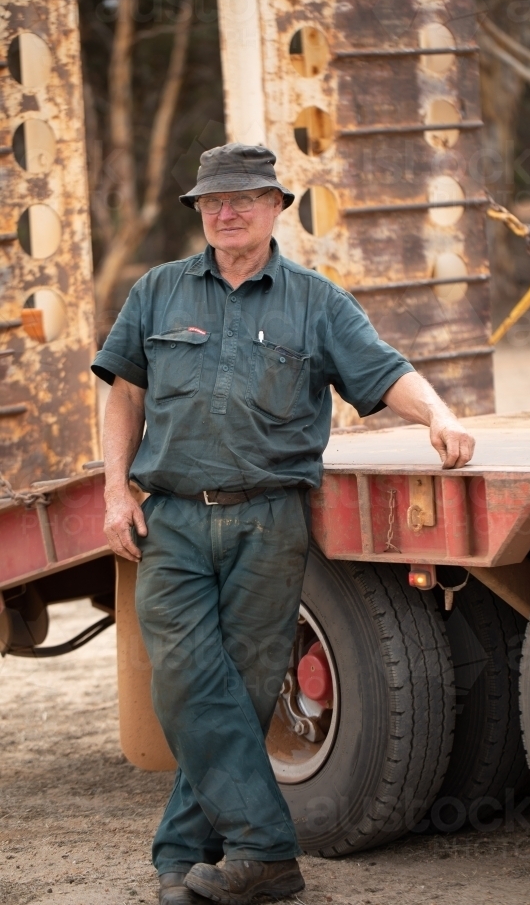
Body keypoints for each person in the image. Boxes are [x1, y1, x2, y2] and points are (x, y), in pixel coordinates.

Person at [94, 143, 475, 905]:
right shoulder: (158, 291)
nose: (224, 213)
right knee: (183, 683)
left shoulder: (314, 301)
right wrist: (114, 492)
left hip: (268, 522)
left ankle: (182, 854)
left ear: (274, 206)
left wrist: (438, 413)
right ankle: (267, 853)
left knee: (241, 690)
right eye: (210, 202)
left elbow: (381, 369)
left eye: (240, 200)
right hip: (169, 518)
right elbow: (123, 394)